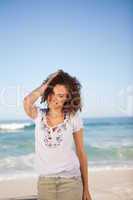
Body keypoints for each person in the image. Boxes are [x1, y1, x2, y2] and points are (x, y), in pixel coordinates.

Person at [23, 69, 92, 200]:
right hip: (45, 181)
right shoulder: (39, 115)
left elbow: (81, 152)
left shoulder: (73, 117)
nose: (54, 98)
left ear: (67, 98)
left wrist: (86, 188)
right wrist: (46, 84)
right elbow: (27, 101)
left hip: (71, 181)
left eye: (60, 95)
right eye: (52, 92)